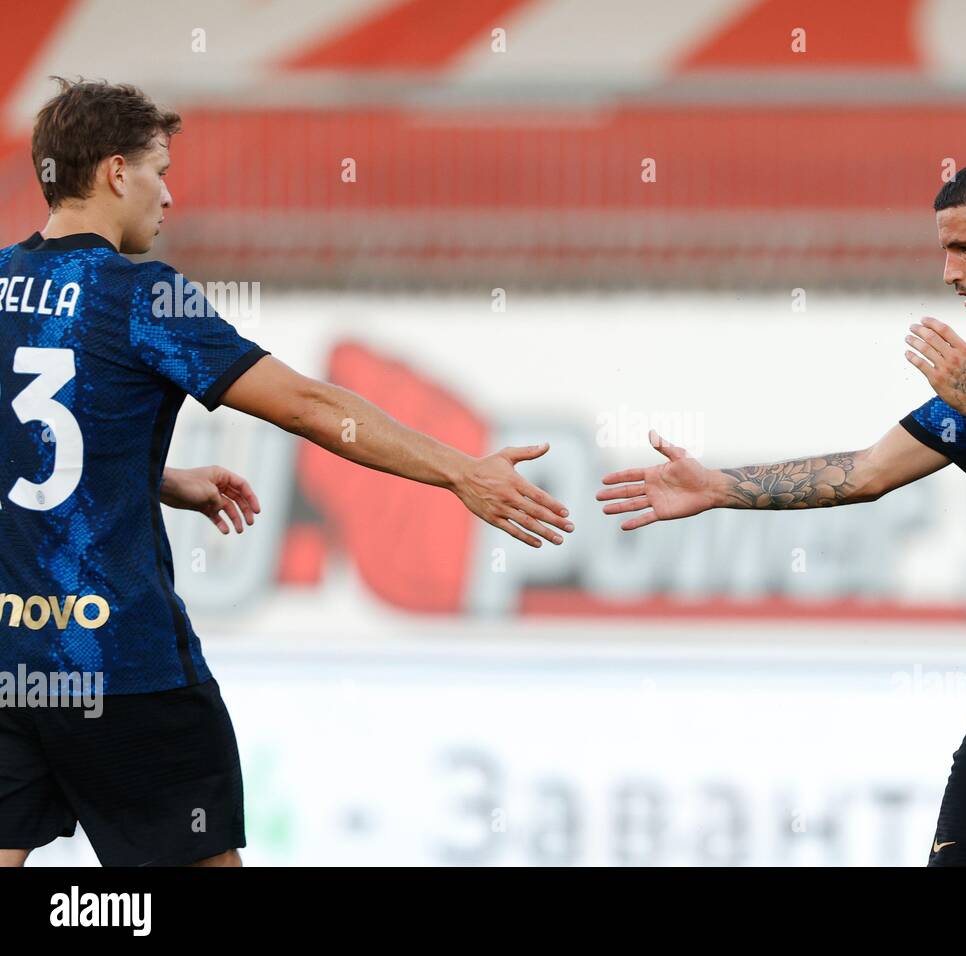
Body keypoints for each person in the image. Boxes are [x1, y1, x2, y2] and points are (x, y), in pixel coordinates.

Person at [0, 78, 572, 868]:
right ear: (116, 174)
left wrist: (154, 480)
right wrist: (459, 471)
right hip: (119, 663)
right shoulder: (139, 297)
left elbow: (32, 441)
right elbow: (304, 404)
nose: (170, 195)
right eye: (160, 170)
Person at [598, 152, 966, 866]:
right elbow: (868, 471)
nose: (948, 272)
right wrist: (719, 487)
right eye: (943, 251)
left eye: (965, 248)